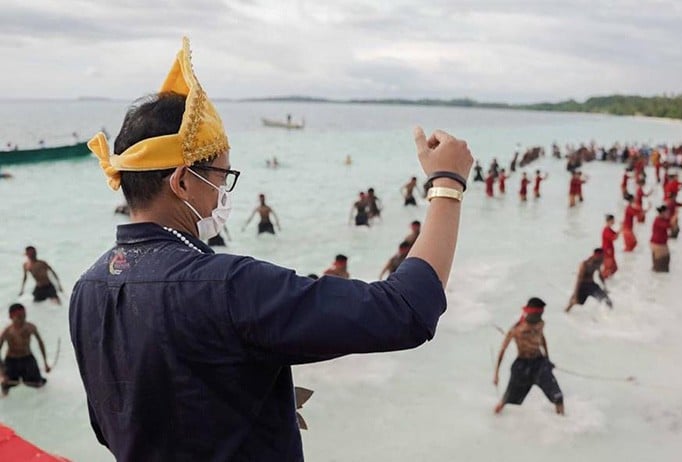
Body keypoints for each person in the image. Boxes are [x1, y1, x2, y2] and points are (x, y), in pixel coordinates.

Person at [71, 37, 473, 461]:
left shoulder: (87, 289)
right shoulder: (227, 286)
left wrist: (239, 398)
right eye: (221, 176)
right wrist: (447, 184)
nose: (223, 192)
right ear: (183, 181)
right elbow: (406, 311)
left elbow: (113, 425)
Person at [493, 298, 564, 415]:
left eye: (541, 314)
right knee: (506, 401)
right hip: (522, 366)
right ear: (530, 313)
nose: (540, 317)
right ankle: (494, 421)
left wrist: (547, 359)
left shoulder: (541, 323)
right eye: (538, 314)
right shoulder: (516, 330)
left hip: (540, 363)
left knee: (558, 397)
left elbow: (542, 338)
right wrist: (496, 374)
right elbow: (502, 351)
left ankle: (563, 424)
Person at [1, 304, 49, 396]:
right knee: (6, 385)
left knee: (38, 384)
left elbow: (40, 343)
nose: (22, 319)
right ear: (11, 317)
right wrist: (2, 374)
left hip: (27, 359)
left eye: (24, 316)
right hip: (12, 361)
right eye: (19, 317)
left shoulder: (31, 327)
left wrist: (45, 363)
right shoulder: (7, 332)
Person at [650, 206, 671, 272]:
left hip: (661, 244)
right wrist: (675, 216)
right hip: (658, 244)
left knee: (663, 265)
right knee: (660, 267)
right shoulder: (658, 220)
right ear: (662, 212)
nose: (668, 214)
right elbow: (668, 226)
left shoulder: (663, 219)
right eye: (667, 213)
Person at [600, 214, 618, 279]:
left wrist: (620, 230)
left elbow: (616, 235)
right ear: (609, 221)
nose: (614, 222)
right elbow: (614, 237)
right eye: (612, 221)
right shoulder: (606, 230)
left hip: (610, 251)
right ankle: (603, 281)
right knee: (608, 269)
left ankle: (609, 282)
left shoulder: (609, 229)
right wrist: (621, 229)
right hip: (607, 251)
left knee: (614, 268)